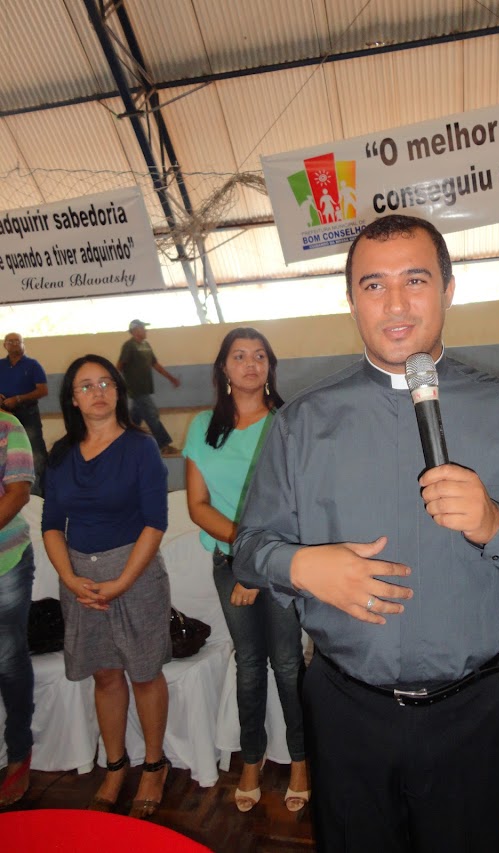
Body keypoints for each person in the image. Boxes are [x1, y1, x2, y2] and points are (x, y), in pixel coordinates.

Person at [233, 214, 499, 853]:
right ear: (351, 301)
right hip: (345, 710)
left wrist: (494, 525)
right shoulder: (302, 424)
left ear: (449, 289)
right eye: (373, 285)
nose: (395, 304)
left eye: (416, 280)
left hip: (471, 713)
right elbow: (247, 549)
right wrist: (301, 567)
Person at [184, 328, 308, 813]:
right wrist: (243, 559)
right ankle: (251, 759)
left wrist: (258, 564)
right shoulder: (201, 427)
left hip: (278, 562)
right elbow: (197, 505)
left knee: (289, 662)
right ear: (223, 369)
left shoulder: (285, 422)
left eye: (260, 356)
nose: (251, 363)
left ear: (270, 367)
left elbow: (292, 505)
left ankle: (301, 759)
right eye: (240, 356)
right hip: (229, 562)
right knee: (250, 664)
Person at [42, 355, 172, 819]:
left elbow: (156, 522)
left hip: (132, 573)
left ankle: (154, 764)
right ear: (72, 399)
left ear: (117, 390)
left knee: (143, 672)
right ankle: (116, 766)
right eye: (84, 386)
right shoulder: (60, 455)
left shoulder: (140, 447)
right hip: (79, 578)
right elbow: (52, 524)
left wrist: (120, 582)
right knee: (104, 673)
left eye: (104, 383)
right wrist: (70, 577)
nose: (96, 392)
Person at [0, 412, 35, 807]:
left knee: (8, 660)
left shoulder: (8, 427)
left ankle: (18, 753)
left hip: (5, 562)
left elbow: (18, 492)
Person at [117, 320, 181, 457]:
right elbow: (120, 364)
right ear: (135, 330)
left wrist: (171, 378)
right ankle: (163, 445)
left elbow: (155, 364)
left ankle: (123, 445)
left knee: (134, 420)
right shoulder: (129, 346)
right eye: (143, 328)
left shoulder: (146, 345)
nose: (146, 331)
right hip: (136, 389)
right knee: (152, 415)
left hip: (146, 388)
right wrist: (113, 381)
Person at [0, 333, 48, 496]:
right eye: (10, 342)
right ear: (5, 345)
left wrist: (19, 398)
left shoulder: (32, 365)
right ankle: (11, 492)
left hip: (28, 415)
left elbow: (43, 390)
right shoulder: (0, 365)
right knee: (6, 452)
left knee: (35, 453)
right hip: (5, 416)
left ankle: (38, 493)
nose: (14, 344)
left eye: (17, 341)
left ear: (23, 344)